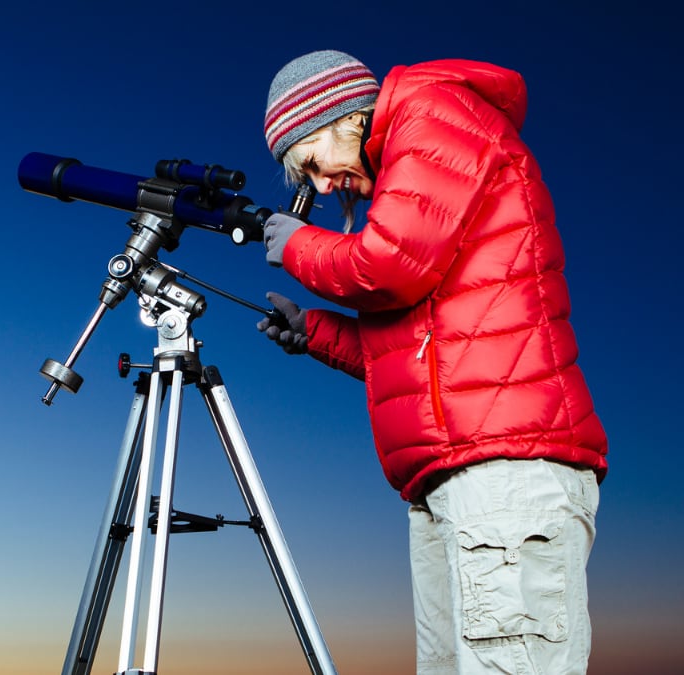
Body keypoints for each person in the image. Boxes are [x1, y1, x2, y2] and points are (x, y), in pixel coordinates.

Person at [257, 50, 609, 674]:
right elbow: (425, 358)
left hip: (502, 470)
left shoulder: (433, 114)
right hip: (456, 474)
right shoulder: (414, 158)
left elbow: (387, 265)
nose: (320, 185)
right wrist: (314, 331)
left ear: (344, 120)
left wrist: (298, 246)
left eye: (313, 163)